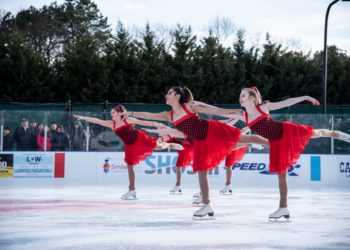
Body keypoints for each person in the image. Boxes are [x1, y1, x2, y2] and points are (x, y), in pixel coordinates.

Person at [127, 86, 269, 218]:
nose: (166, 95)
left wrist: (232, 112)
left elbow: (214, 112)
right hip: (201, 142)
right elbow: (149, 115)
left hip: (211, 131)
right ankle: (207, 204)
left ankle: (273, 144)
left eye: (169, 93)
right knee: (201, 170)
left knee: (244, 137)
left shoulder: (189, 106)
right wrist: (131, 113)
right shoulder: (168, 115)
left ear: (177, 95)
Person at [230, 86, 350, 220]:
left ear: (251, 98)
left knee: (315, 133)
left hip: (286, 131)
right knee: (281, 175)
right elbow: (232, 119)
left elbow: (287, 102)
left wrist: (306, 97)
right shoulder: (245, 116)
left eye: (243, 95)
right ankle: (283, 208)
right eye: (240, 96)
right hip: (277, 144)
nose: (240, 98)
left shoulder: (263, 107)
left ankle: (336, 134)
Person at [73, 104, 184, 200]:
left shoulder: (128, 120)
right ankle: (132, 189)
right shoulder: (112, 124)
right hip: (130, 146)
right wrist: (83, 117)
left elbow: (144, 122)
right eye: (111, 113)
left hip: (139, 138)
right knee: (130, 165)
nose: (111, 114)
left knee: (158, 147)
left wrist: (156, 124)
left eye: (113, 113)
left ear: (120, 113)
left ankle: (170, 144)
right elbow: (98, 121)